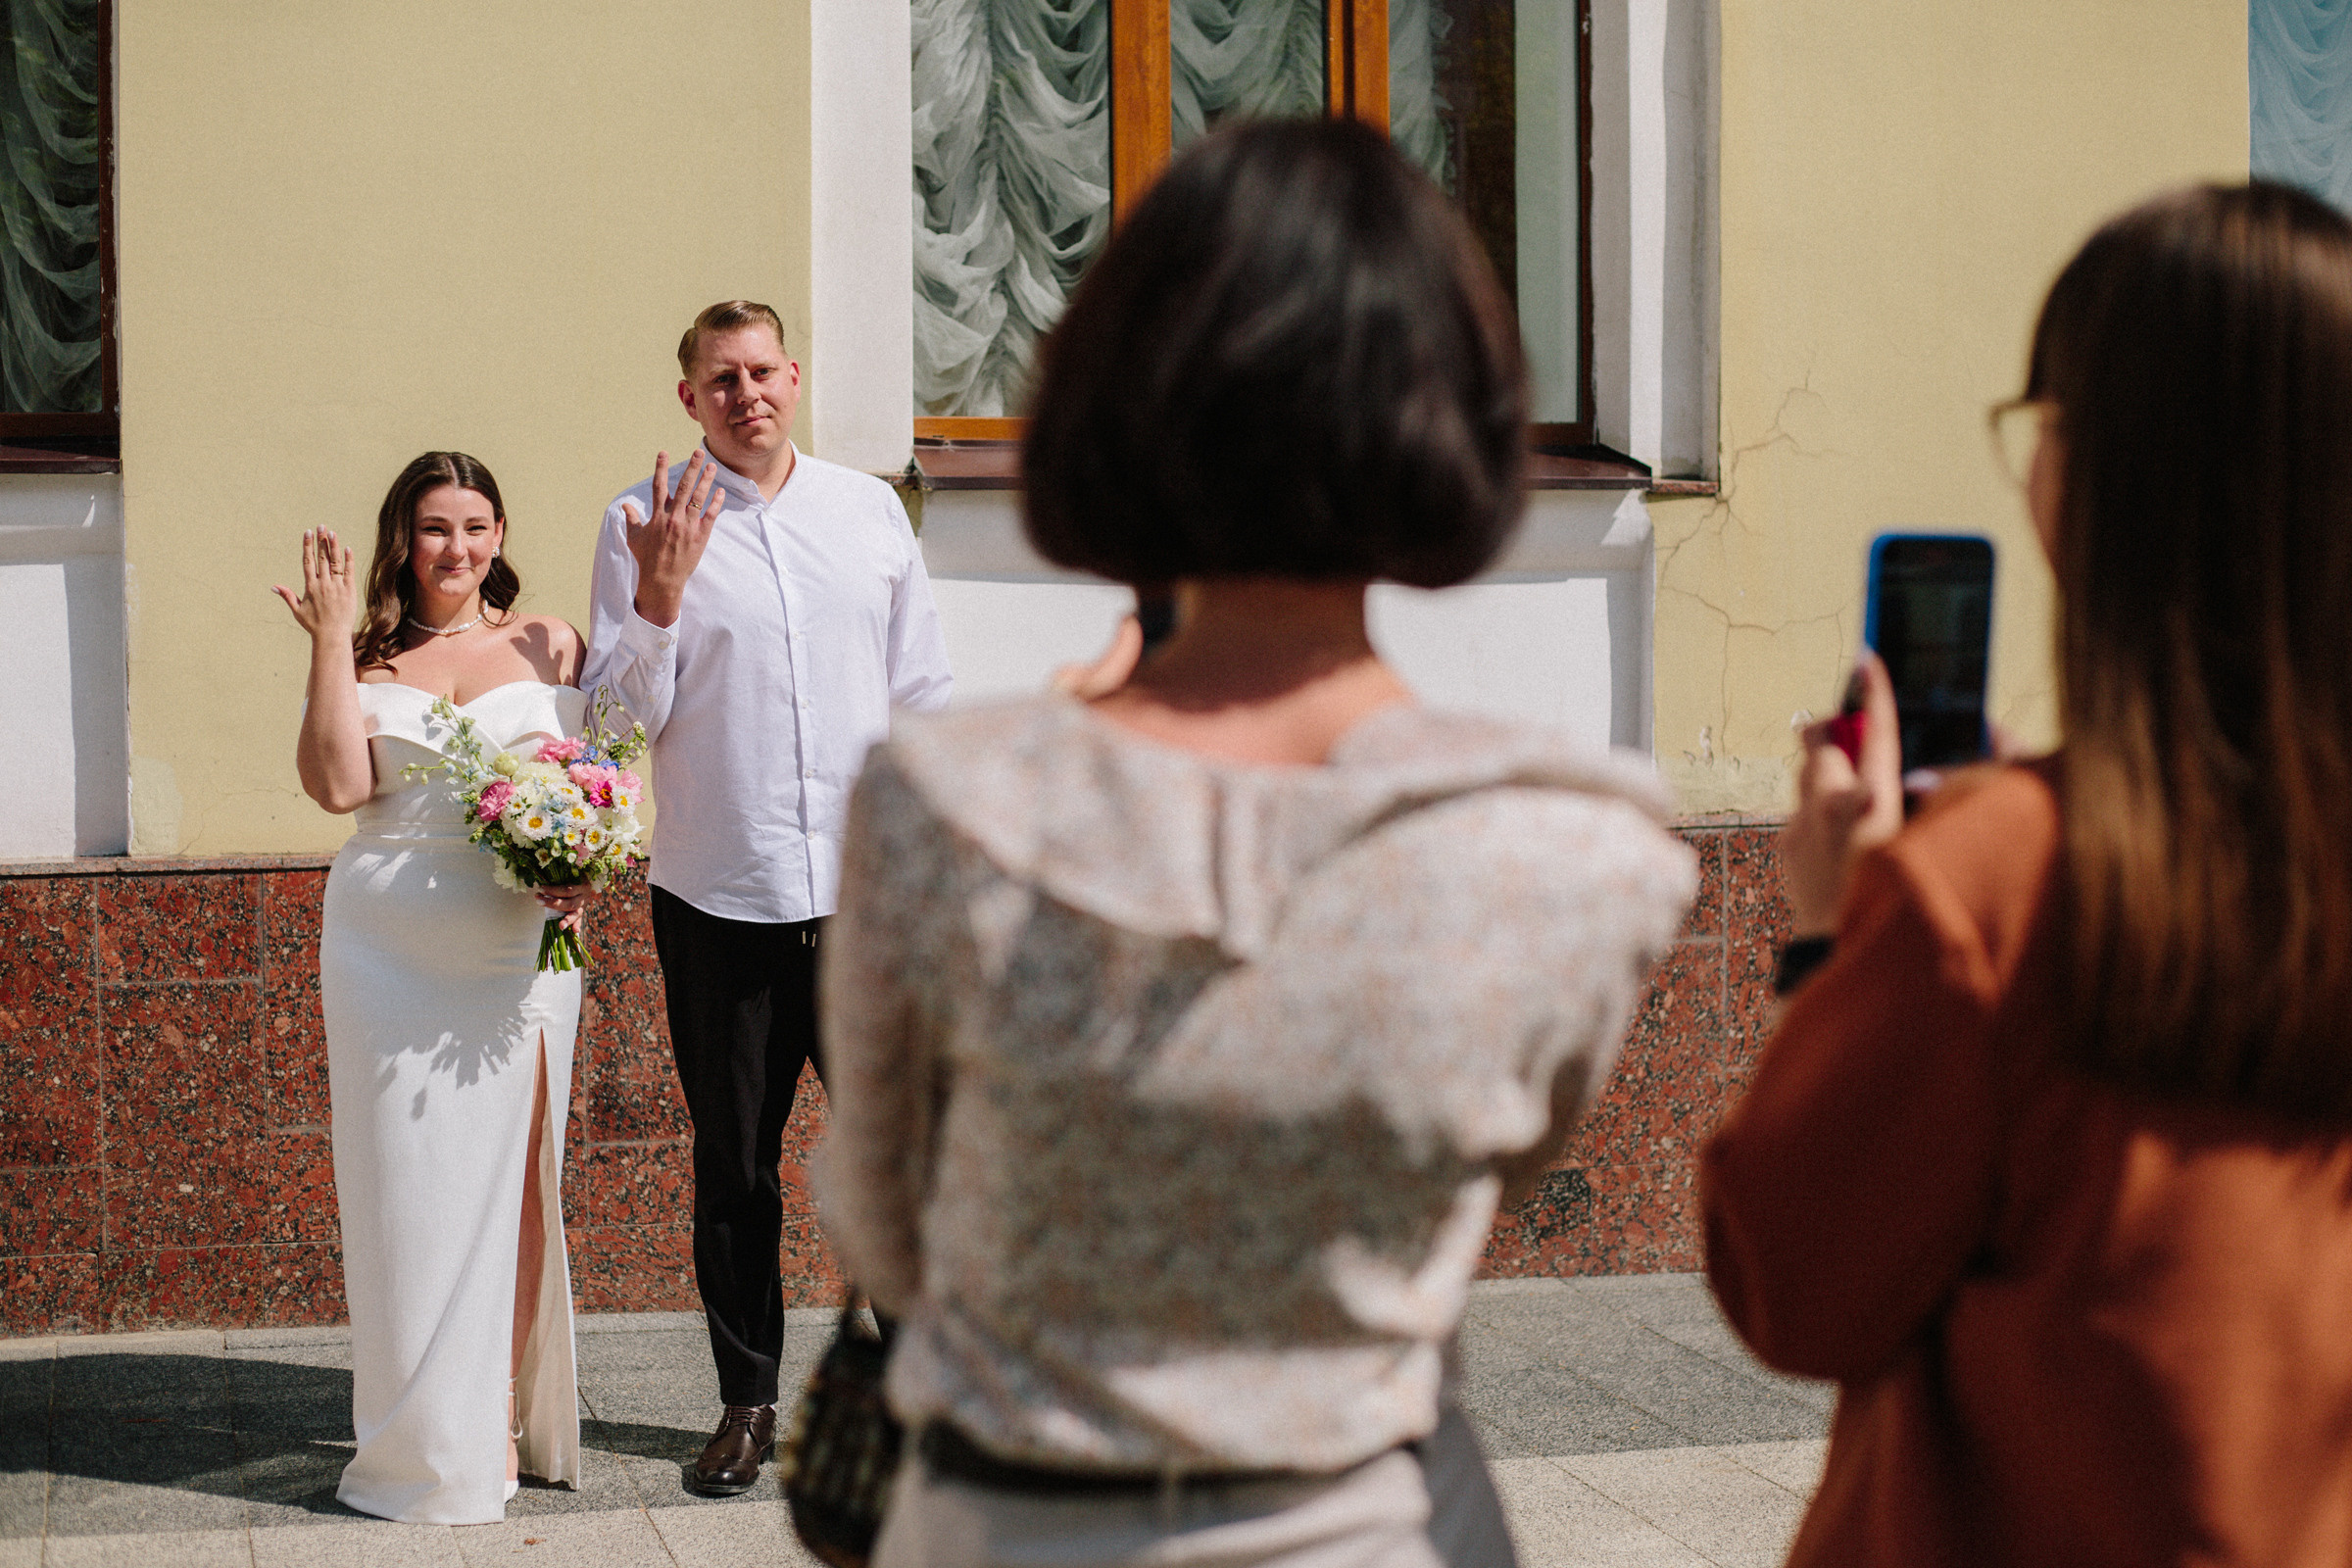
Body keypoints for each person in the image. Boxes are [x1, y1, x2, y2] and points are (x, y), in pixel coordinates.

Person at [814, 119, 1695, 1568]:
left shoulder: (945, 802)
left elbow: (890, 1229)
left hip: (1011, 1525)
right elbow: (1486, 1173)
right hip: (1374, 1523)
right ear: (1459, 408)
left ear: (1117, 392)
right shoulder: (1579, 851)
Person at [1702, 181, 2352, 1567]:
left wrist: (1834, 935)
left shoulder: (1994, 883)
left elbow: (1792, 1285)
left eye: (2048, 426)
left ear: (2094, 488)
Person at [580, 300, 954, 1494]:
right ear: (686, 396)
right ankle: (748, 1405)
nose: (744, 394)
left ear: (793, 375)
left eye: (761, 371)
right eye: (718, 379)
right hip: (719, 897)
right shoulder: (639, 523)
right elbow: (609, 729)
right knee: (733, 1169)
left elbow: (923, 696)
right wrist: (658, 601)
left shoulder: (868, 511)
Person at [275, 452, 592, 1524]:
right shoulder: (365, 651)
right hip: (385, 946)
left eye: (475, 526)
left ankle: (494, 1419)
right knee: (402, 1190)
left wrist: (587, 858)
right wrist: (327, 646)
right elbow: (336, 785)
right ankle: (416, 1436)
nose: (456, 548)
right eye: (433, 528)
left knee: (516, 1179)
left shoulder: (550, 639)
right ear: (401, 541)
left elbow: (603, 774)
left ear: (500, 535)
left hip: (520, 949)